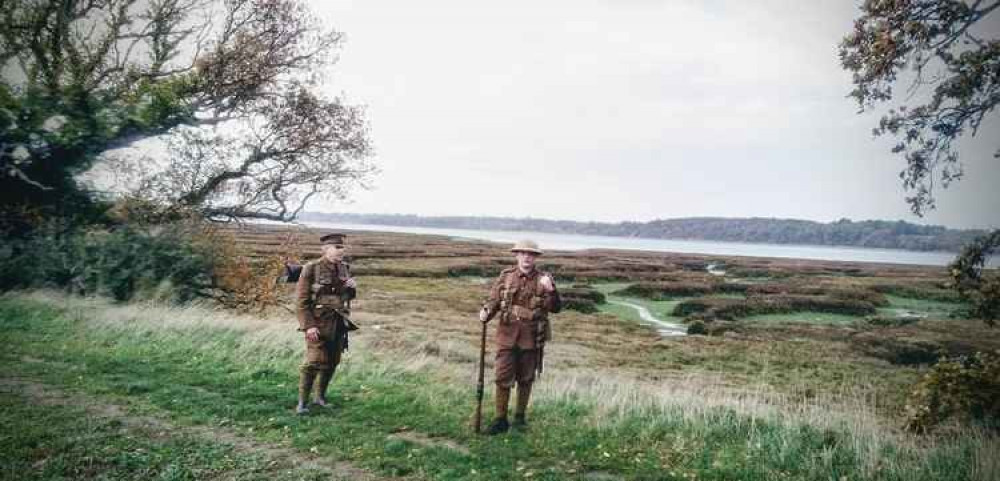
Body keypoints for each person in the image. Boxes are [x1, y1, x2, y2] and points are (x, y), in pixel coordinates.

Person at [479, 239, 561, 434]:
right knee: (502, 377)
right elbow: (494, 300)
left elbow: (556, 308)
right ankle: (500, 420)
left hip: (532, 339)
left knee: (526, 379)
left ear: (535, 258)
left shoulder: (545, 279)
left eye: (531, 254)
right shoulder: (505, 277)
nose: (526, 257)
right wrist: (486, 312)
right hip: (506, 335)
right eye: (523, 253)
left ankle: (519, 419)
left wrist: (551, 290)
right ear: (516, 255)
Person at [295, 233, 358, 415]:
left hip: (338, 323)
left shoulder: (344, 268)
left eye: (342, 248)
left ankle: (319, 398)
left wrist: (352, 289)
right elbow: (301, 301)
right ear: (325, 249)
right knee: (314, 361)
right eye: (337, 248)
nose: (341, 251)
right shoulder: (311, 268)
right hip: (318, 323)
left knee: (332, 361)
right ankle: (302, 403)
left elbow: (345, 296)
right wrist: (309, 326)